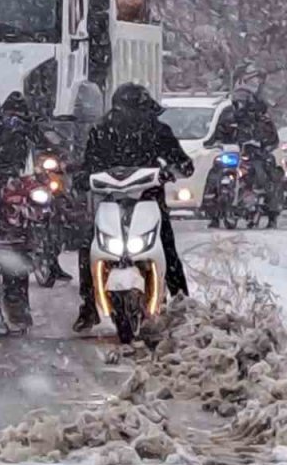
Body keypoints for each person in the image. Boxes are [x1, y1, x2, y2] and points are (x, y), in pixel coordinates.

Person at [74, 83, 195, 333]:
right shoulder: (101, 132)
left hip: (149, 201)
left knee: (166, 246)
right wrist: (83, 177)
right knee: (89, 246)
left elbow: (182, 162)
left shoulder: (158, 131)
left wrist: (172, 170)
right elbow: (88, 163)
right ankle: (89, 305)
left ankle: (184, 304)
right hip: (110, 202)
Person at [202, 87, 284, 228]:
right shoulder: (228, 116)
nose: (239, 103)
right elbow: (217, 134)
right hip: (232, 154)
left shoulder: (261, 118)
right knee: (214, 173)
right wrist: (212, 144)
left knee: (267, 175)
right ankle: (213, 212)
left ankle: (272, 213)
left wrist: (261, 146)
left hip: (255, 155)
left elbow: (272, 139)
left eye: (242, 99)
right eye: (237, 99)